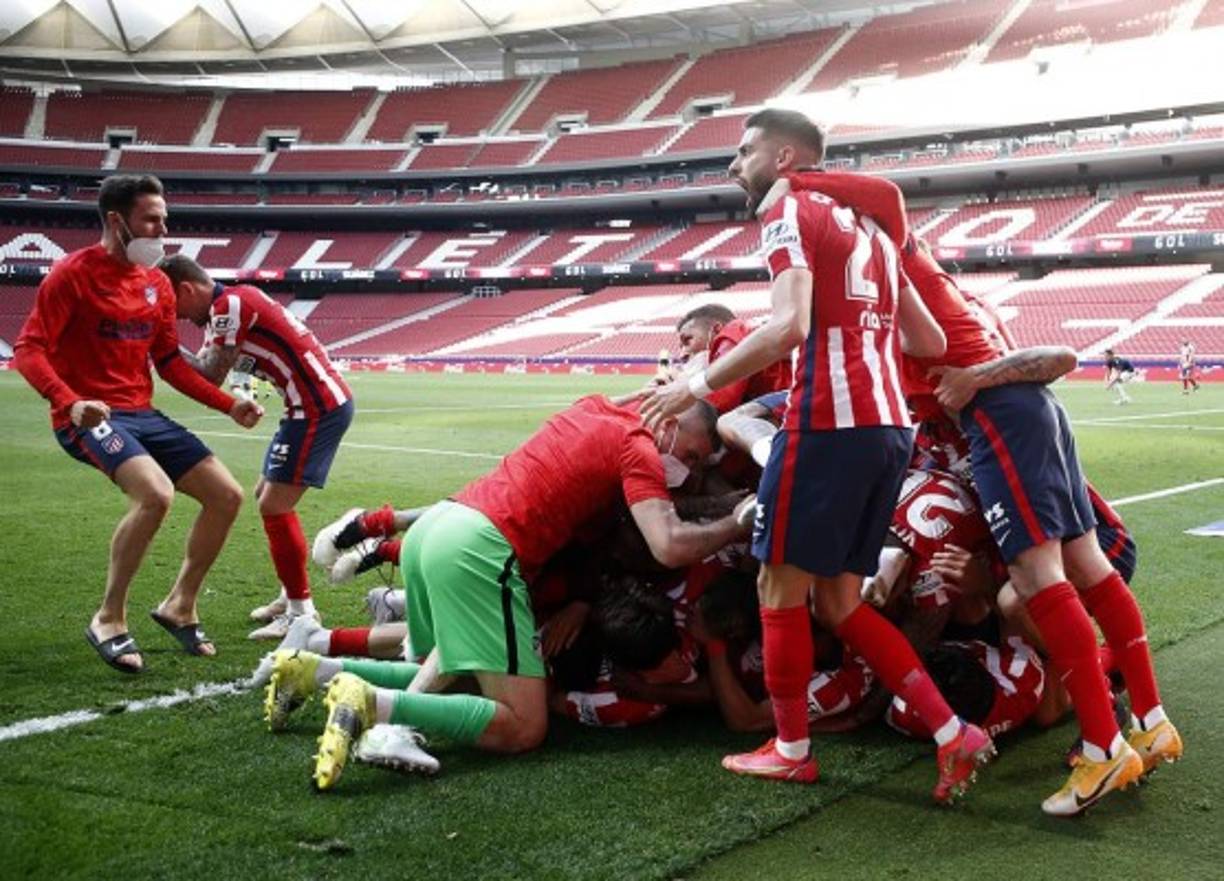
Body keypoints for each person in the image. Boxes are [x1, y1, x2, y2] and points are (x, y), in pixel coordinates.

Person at [792, 169, 1181, 815]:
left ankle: (1104, 744)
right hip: (1036, 413)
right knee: (1083, 566)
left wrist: (798, 177)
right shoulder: (944, 287)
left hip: (1003, 418)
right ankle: (1151, 716)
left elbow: (886, 200)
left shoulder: (897, 262)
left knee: (1038, 576)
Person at [642, 108, 996, 804]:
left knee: (778, 587)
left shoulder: (787, 210)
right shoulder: (873, 232)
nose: (732, 166)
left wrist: (694, 384)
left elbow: (789, 325)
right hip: (891, 427)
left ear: (783, 159)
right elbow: (925, 342)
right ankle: (953, 732)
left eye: (743, 153)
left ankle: (792, 749)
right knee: (839, 600)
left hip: (828, 423)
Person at [265, 394, 753, 789]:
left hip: (440, 526)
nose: (686, 468)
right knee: (523, 725)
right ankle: (378, 712)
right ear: (667, 420)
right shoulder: (640, 446)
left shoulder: (595, 407)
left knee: (450, 673)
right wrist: (736, 523)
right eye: (689, 453)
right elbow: (667, 544)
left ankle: (313, 668)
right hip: (482, 549)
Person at [12, 174, 261, 673]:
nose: (161, 229)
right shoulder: (71, 274)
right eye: (151, 219)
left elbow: (168, 361)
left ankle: (180, 604)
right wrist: (69, 400)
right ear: (116, 221)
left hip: (141, 414)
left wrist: (225, 404)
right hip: (86, 415)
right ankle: (109, 617)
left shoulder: (156, 286)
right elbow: (28, 350)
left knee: (226, 496)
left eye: (164, 219)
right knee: (156, 494)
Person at [160, 253, 354, 640]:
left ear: (186, 289)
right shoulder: (229, 305)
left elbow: (209, 374)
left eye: (172, 306)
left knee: (273, 505)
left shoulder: (228, 304)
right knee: (265, 493)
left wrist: (161, 343)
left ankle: (302, 615)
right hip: (306, 405)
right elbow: (212, 365)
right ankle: (290, 596)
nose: (176, 316)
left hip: (317, 407)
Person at [675, 304, 792, 413]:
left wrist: (678, 391)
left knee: (727, 422)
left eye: (688, 340)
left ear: (716, 329)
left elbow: (720, 403)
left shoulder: (734, 330)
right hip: (794, 401)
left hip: (799, 402)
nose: (682, 354)